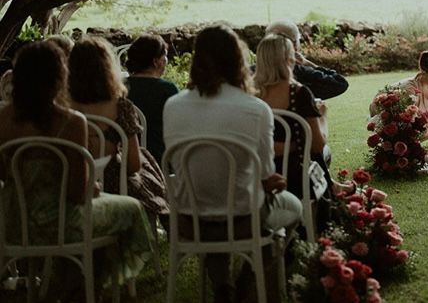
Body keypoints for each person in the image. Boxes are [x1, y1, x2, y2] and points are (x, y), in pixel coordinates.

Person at [0, 41, 153, 296]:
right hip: (60, 222)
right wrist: (93, 187)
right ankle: (95, 285)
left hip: (13, 221)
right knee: (131, 208)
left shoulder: (3, 120)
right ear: (59, 77)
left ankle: (68, 281)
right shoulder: (70, 122)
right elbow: (76, 192)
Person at [164, 24, 302, 303]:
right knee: (295, 207)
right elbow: (265, 172)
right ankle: (249, 279)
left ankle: (222, 286)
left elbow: (180, 163)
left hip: (189, 218)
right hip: (244, 220)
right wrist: (270, 180)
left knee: (215, 206)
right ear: (238, 59)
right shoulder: (255, 109)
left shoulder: (173, 105)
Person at [68, 36, 168, 219]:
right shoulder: (120, 107)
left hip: (70, 185)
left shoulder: (62, 108)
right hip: (114, 185)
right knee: (146, 165)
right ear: (108, 69)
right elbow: (132, 166)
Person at [255, 32, 332, 232]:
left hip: (257, 175)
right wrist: (322, 116)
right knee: (324, 153)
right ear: (289, 59)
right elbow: (317, 144)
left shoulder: (250, 94)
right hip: (293, 175)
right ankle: (321, 217)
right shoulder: (298, 93)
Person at [372, 50, 428, 142]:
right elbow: (405, 122)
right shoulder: (409, 89)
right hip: (392, 119)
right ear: (423, 72)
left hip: (413, 121)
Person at [123, 33, 181, 163]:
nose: (167, 60)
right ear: (156, 62)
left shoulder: (118, 87)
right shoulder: (167, 90)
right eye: (165, 56)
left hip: (125, 160)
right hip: (160, 161)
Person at [264, 20, 350, 100]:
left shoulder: (253, 74)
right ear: (294, 45)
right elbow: (341, 83)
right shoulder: (302, 74)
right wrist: (308, 64)